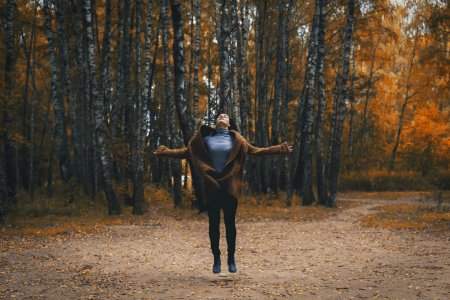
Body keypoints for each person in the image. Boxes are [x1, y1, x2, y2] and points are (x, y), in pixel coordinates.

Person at [153, 113, 293, 274]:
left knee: (230, 224)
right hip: (211, 186)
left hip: (229, 187)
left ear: (229, 123)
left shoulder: (238, 141)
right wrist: (164, 152)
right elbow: (185, 152)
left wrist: (280, 149)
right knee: (213, 225)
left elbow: (257, 151)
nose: (222, 116)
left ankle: (231, 258)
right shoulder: (205, 140)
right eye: (219, 115)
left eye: (225, 116)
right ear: (216, 122)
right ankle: (216, 258)